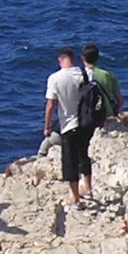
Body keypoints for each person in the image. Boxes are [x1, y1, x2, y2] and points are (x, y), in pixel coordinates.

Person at [44, 49, 94, 208]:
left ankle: (76, 197)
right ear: (73, 59)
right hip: (86, 123)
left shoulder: (55, 78)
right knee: (84, 155)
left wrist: (47, 126)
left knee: (70, 161)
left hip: (68, 125)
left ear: (60, 60)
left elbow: (51, 105)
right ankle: (88, 188)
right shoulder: (85, 73)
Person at [82, 44, 123, 119]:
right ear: (98, 58)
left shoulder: (79, 75)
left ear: (83, 58)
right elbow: (120, 100)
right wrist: (115, 111)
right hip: (107, 116)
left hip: (87, 117)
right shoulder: (107, 75)